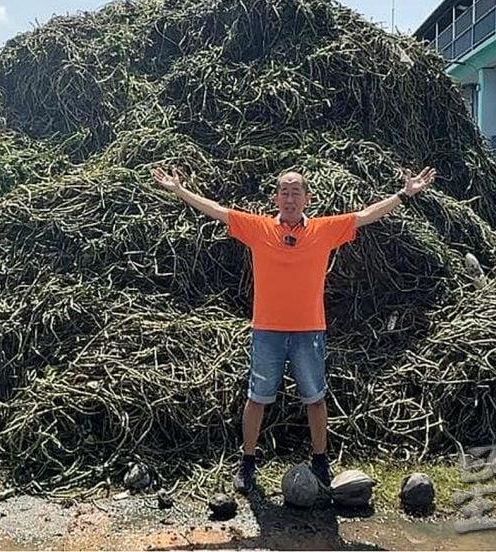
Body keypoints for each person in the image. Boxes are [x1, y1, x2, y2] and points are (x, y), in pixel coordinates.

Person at [150, 166, 436, 493]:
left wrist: (404, 194)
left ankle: (320, 460)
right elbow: (217, 211)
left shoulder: (323, 230)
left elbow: (366, 215)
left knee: (315, 399)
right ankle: (247, 463)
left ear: (307, 199)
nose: (289, 198)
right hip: (266, 331)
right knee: (257, 398)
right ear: (275, 198)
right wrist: (179, 190)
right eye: (283, 192)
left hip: (309, 331)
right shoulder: (258, 228)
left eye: (295, 192)